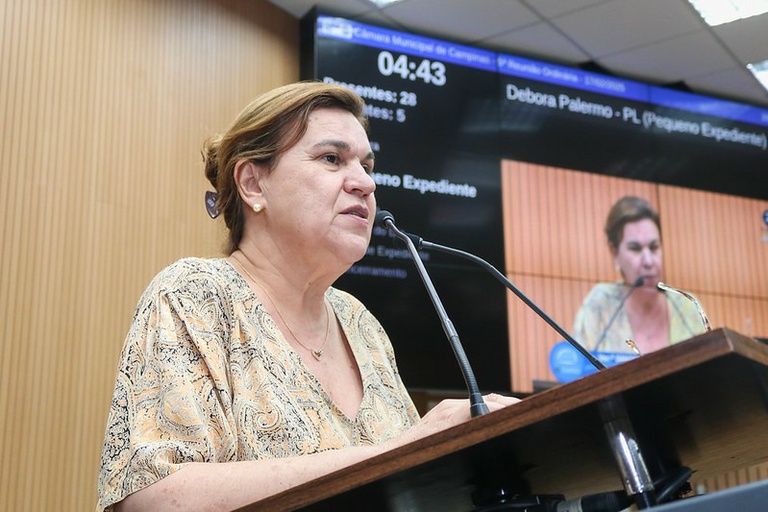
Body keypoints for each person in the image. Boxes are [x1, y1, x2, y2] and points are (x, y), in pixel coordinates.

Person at [95, 81, 518, 512]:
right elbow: (153, 499)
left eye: (367, 166)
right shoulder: (196, 294)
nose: (365, 183)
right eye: (332, 158)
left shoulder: (360, 323)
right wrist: (402, 453)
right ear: (253, 184)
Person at [572, 195, 706, 355]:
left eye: (654, 247)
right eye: (635, 249)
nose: (648, 261)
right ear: (614, 253)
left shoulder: (687, 307)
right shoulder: (600, 305)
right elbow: (580, 368)